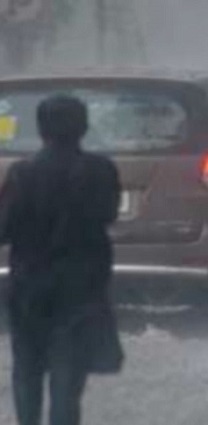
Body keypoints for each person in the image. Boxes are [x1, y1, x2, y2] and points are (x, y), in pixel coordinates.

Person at [0, 95, 123, 425]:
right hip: (82, 287)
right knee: (68, 376)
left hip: (30, 286)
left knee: (27, 368)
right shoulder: (101, 170)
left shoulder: (22, 174)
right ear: (83, 127)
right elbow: (108, 214)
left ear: (41, 129)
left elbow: (4, 228)